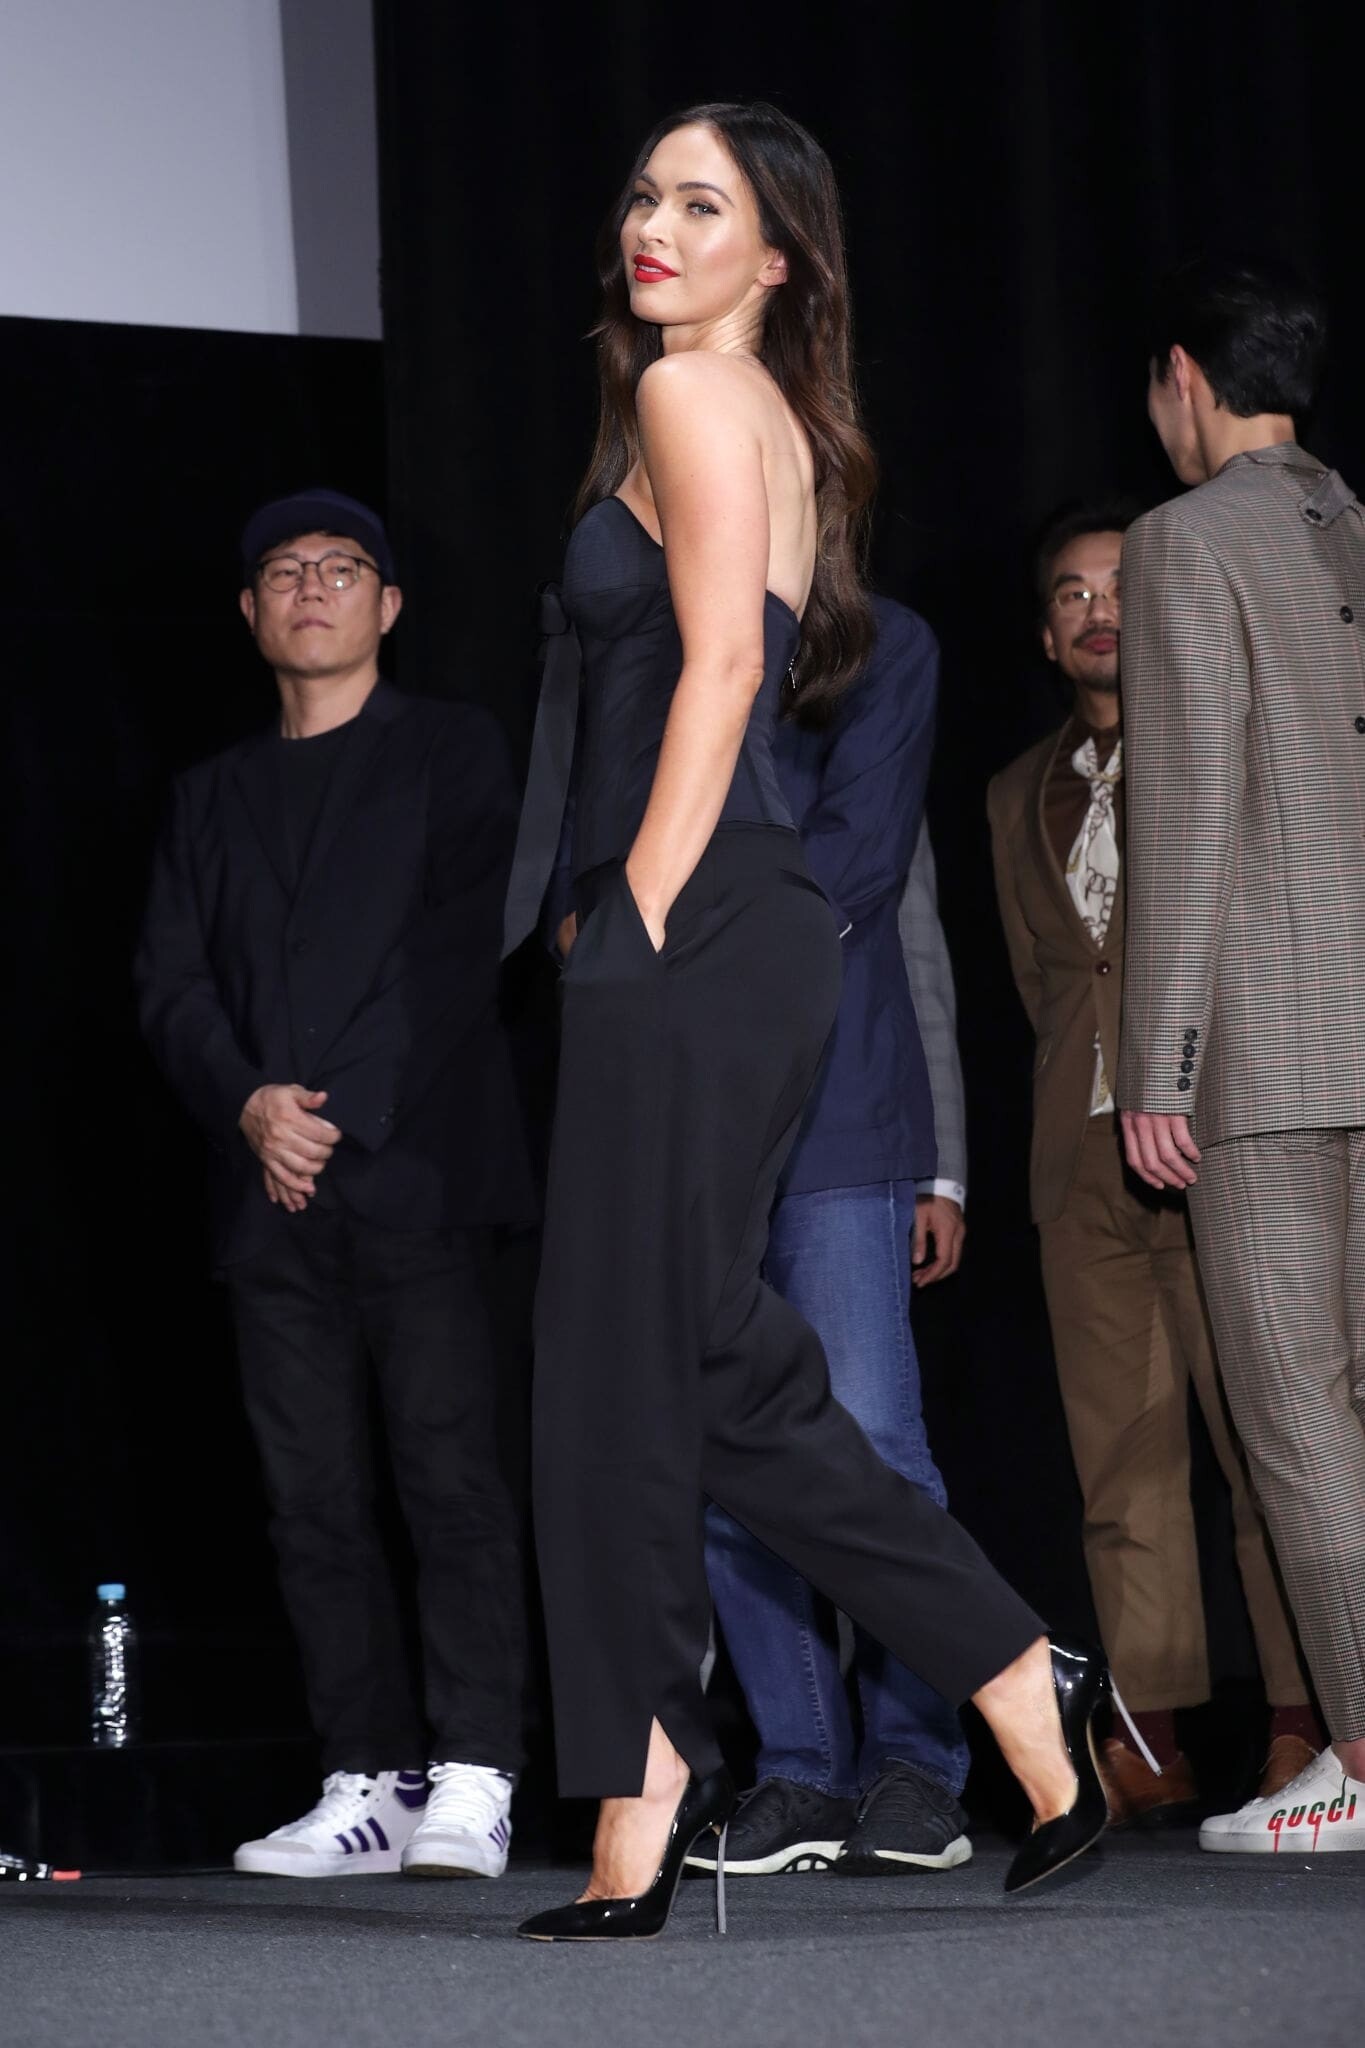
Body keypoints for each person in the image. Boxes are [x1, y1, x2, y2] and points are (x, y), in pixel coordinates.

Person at [506, 102, 1114, 1944]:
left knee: (616, 1373)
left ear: (779, 256)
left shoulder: (696, 392)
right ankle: (1011, 1675)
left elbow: (720, 668)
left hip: (699, 913)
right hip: (744, 923)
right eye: (643, 194)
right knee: (708, 1366)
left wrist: (638, 905)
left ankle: (645, 1799)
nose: (654, 224)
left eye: (703, 204)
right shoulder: (754, 410)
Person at [136, 490, 532, 1880]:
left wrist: (336, 1111)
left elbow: (461, 944)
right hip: (267, 1195)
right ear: (251, 613)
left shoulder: (452, 749)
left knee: (449, 1474)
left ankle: (477, 1767)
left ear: (389, 604)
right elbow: (170, 982)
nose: (311, 586)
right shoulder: (208, 795)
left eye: (342, 566)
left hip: (418, 1171)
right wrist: (253, 1105)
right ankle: (367, 1777)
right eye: (284, 571)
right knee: (309, 1498)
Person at [988, 503, 1314, 1828]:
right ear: (1047, 634)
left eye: (1118, 585)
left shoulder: (1226, 746)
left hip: (1223, 1144)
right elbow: (1045, 984)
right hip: (1082, 1166)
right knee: (1119, 1462)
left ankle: (1304, 1725)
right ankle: (1151, 1737)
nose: (1097, 609)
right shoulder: (1016, 790)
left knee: (1268, 1444)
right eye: (1071, 594)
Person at [1118, 257, 1365, 1853]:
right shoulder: (1356, 528)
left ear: (1185, 377)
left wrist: (1161, 1063)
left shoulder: (1183, 539)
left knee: (1296, 1416)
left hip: (1268, 1055)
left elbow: (1188, 804)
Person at [694, 601, 974, 1881]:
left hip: (834, 1099)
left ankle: (918, 1762)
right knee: (726, 1445)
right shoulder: (663, 632)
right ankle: (800, 1765)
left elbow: (871, 885)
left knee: (870, 1436)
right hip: (691, 1109)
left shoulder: (879, 644)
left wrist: (942, 1159)